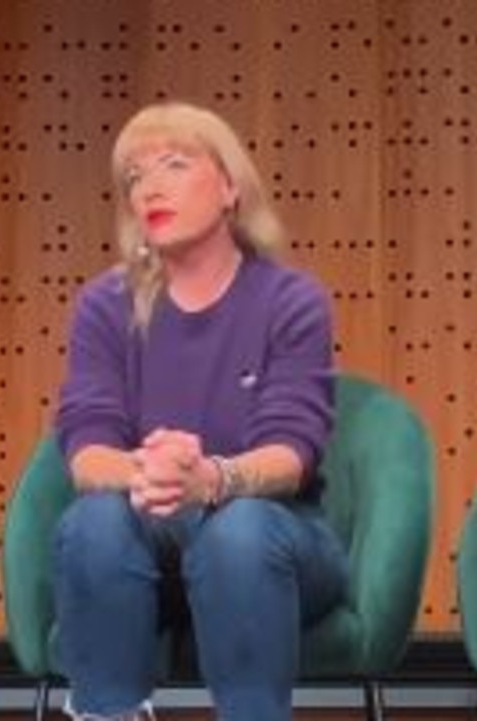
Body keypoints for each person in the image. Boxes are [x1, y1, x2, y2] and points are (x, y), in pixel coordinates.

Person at [52, 102, 347, 721]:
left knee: (237, 532)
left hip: (275, 541)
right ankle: (109, 713)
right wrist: (146, 475)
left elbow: (291, 453)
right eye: (134, 176)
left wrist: (210, 478)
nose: (150, 186)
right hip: (146, 543)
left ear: (231, 188)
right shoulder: (107, 303)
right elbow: (86, 445)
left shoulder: (290, 299)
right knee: (93, 523)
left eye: (175, 164)